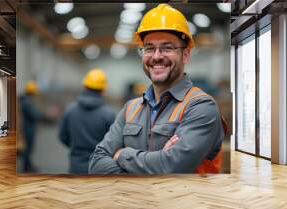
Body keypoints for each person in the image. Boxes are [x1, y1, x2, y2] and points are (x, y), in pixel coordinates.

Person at [89, 4, 226, 174]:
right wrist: (159, 160)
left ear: (185, 54)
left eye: (167, 48)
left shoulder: (201, 107)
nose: (156, 56)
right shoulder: (130, 108)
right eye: (149, 48)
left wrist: (122, 154)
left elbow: (172, 166)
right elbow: (96, 164)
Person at [59, 68, 116, 174]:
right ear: (103, 90)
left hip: (75, 166)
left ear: (84, 86)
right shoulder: (109, 115)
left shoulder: (70, 110)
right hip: (99, 168)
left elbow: (63, 137)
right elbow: (114, 144)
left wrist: (76, 147)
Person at [20, 80, 52, 172]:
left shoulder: (26, 100)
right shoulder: (27, 102)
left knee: (29, 148)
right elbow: (35, 115)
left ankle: (28, 165)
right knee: (28, 148)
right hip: (28, 129)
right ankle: (26, 167)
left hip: (29, 127)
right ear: (31, 92)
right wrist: (45, 115)